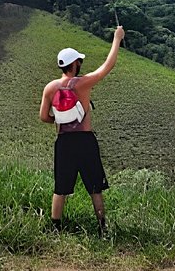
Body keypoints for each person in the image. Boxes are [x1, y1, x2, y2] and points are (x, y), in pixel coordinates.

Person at [39, 26, 124, 236]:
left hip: (64, 141)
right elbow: (108, 66)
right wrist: (117, 38)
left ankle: (55, 228)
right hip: (85, 140)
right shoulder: (83, 84)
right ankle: (103, 227)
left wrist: (59, 121)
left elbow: (43, 117)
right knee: (94, 185)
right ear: (75, 64)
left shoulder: (50, 88)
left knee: (61, 187)